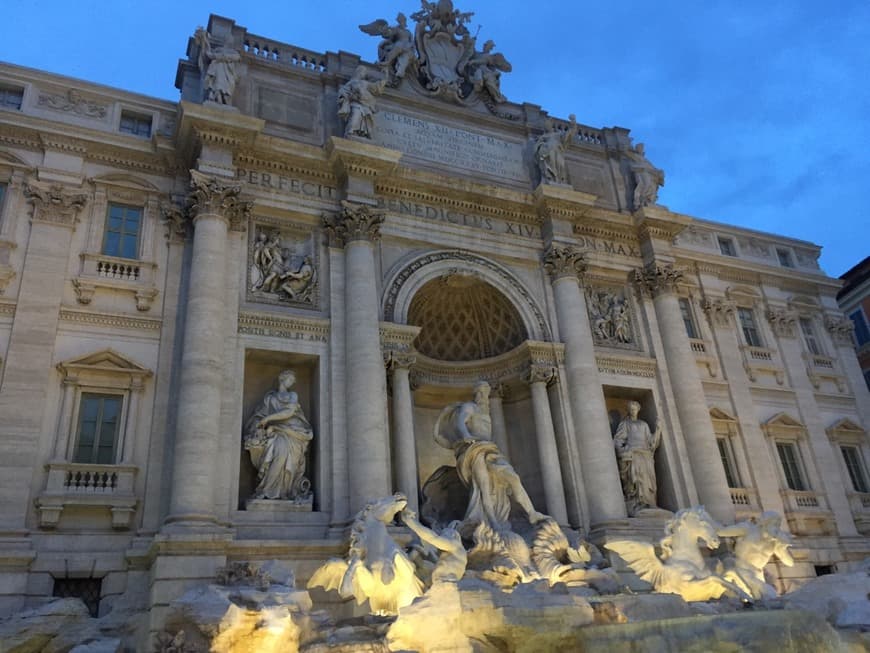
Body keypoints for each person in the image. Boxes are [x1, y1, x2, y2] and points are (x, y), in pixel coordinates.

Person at [434, 381, 546, 538]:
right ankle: (492, 522)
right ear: (476, 394)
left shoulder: (486, 411)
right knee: (483, 487)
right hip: (473, 449)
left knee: (512, 477)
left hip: (490, 450)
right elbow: (460, 421)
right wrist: (465, 435)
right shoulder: (469, 407)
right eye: (479, 392)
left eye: (485, 393)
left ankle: (532, 513)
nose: (482, 396)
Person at [244, 370, 313, 501]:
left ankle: (285, 491)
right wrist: (259, 425)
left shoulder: (293, 395)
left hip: (293, 432)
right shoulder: (270, 398)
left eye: (293, 381)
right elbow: (259, 417)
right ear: (282, 379)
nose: (293, 382)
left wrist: (269, 418)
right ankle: (266, 490)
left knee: (285, 455)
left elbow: (289, 412)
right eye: (291, 379)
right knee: (279, 451)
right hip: (275, 432)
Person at [718, 512, 794, 600]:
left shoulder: (775, 542)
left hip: (758, 574)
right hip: (742, 569)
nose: (777, 528)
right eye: (774, 524)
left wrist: (782, 548)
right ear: (765, 523)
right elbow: (721, 532)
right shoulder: (747, 529)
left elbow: (790, 563)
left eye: (778, 525)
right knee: (767, 595)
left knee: (765, 599)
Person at [613, 400, 662, 516]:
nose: (632, 410)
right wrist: (624, 451)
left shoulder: (644, 424)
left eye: (634, 408)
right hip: (633, 454)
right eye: (630, 408)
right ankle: (637, 502)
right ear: (628, 411)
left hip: (646, 454)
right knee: (637, 478)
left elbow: (651, 442)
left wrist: (658, 429)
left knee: (648, 479)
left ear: (638, 410)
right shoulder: (625, 424)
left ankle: (649, 501)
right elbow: (618, 440)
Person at [337, 67, 387, 139]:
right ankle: (350, 132)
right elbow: (343, 92)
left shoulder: (365, 83)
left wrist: (384, 78)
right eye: (362, 72)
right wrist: (350, 96)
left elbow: (376, 87)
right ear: (358, 73)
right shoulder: (351, 83)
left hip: (366, 106)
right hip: (356, 104)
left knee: (368, 120)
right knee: (355, 116)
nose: (363, 74)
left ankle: (364, 134)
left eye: (364, 73)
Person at [196, 28, 241, 105]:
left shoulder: (234, 53)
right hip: (218, 70)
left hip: (228, 73)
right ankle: (217, 96)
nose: (229, 41)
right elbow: (208, 55)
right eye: (228, 39)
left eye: (230, 40)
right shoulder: (218, 50)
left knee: (227, 85)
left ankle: (223, 97)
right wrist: (204, 41)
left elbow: (236, 57)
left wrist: (218, 57)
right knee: (218, 77)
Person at [534, 115, 578, 185]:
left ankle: (558, 180)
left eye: (548, 124)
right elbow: (537, 148)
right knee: (548, 160)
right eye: (545, 125)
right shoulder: (542, 137)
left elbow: (568, 135)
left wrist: (573, 124)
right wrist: (544, 146)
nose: (546, 126)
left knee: (560, 165)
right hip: (548, 153)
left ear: (551, 125)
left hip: (557, 154)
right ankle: (551, 178)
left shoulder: (557, 135)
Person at [626, 143, 665, 209]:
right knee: (646, 184)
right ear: (636, 149)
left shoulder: (646, 160)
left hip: (648, 173)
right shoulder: (635, 156)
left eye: (642, 148)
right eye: (639, 148)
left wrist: (659, 172)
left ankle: (647, 201)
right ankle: (641, 201)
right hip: (642, 172)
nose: (641, 150)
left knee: (652, 186)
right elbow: (625, 152)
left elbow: (652, 167)